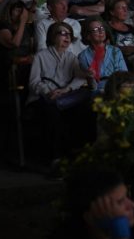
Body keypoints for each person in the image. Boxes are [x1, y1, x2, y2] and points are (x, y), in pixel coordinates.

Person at [27, 22, 91, 162]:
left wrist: (66, 89)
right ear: (53, 36)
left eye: (69, 34)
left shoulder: (71, 57)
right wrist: (48, 91)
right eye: (63, 33)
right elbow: (34, 81)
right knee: (52, 113)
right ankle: (56, 158)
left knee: (84, 109)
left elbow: (80, 78)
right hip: (43, 97)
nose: (67, 37)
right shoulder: (41, 56)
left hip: (65, 97)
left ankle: (78, 153)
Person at [78, 16, 128, 93]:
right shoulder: (83, 56)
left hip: (117, 88)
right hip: (98, 91)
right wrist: (90, 77)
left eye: (102, 28)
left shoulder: (115, 51)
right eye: (95, 30)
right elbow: (91, 86)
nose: (101, 31)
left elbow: (124, 75)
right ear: (88, 36)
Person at [106, 0, 134, 70]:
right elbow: (107, 49)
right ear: (112, 12)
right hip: (116, 64)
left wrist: (132, 49)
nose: (125, 10)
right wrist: (125, 49)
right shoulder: (106, 29)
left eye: (126, 7)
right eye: (121, 8)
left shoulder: (133, 29)